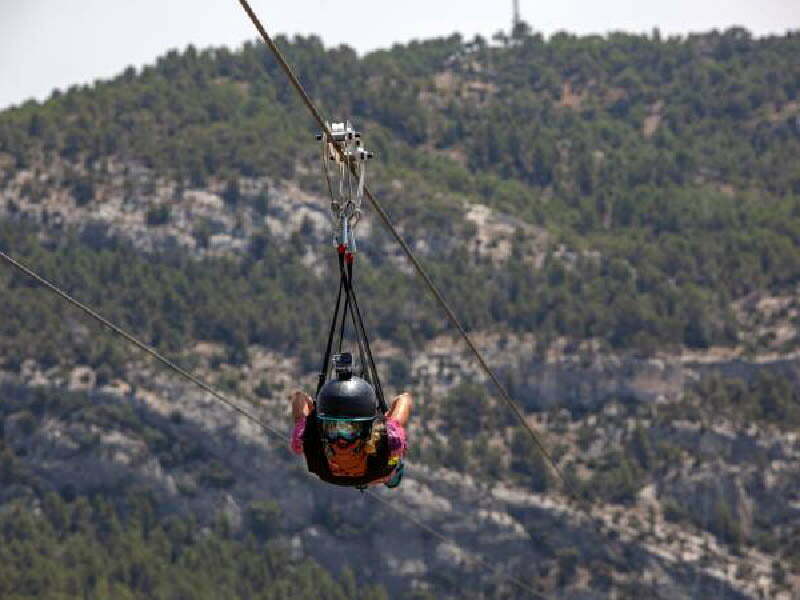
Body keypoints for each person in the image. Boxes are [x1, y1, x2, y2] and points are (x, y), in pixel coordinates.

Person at [289, 356, 411, 488]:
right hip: (375, 473)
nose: (341, 439)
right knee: (389, 466)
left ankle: (375, 478)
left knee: (388, 463)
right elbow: (404, 399)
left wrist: (314, 409)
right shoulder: (391, 439)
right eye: (334, 429)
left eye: (349, 430)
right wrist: (385, 420)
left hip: (338, 474)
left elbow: (298, 397)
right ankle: (382, 477)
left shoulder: (305, 440)